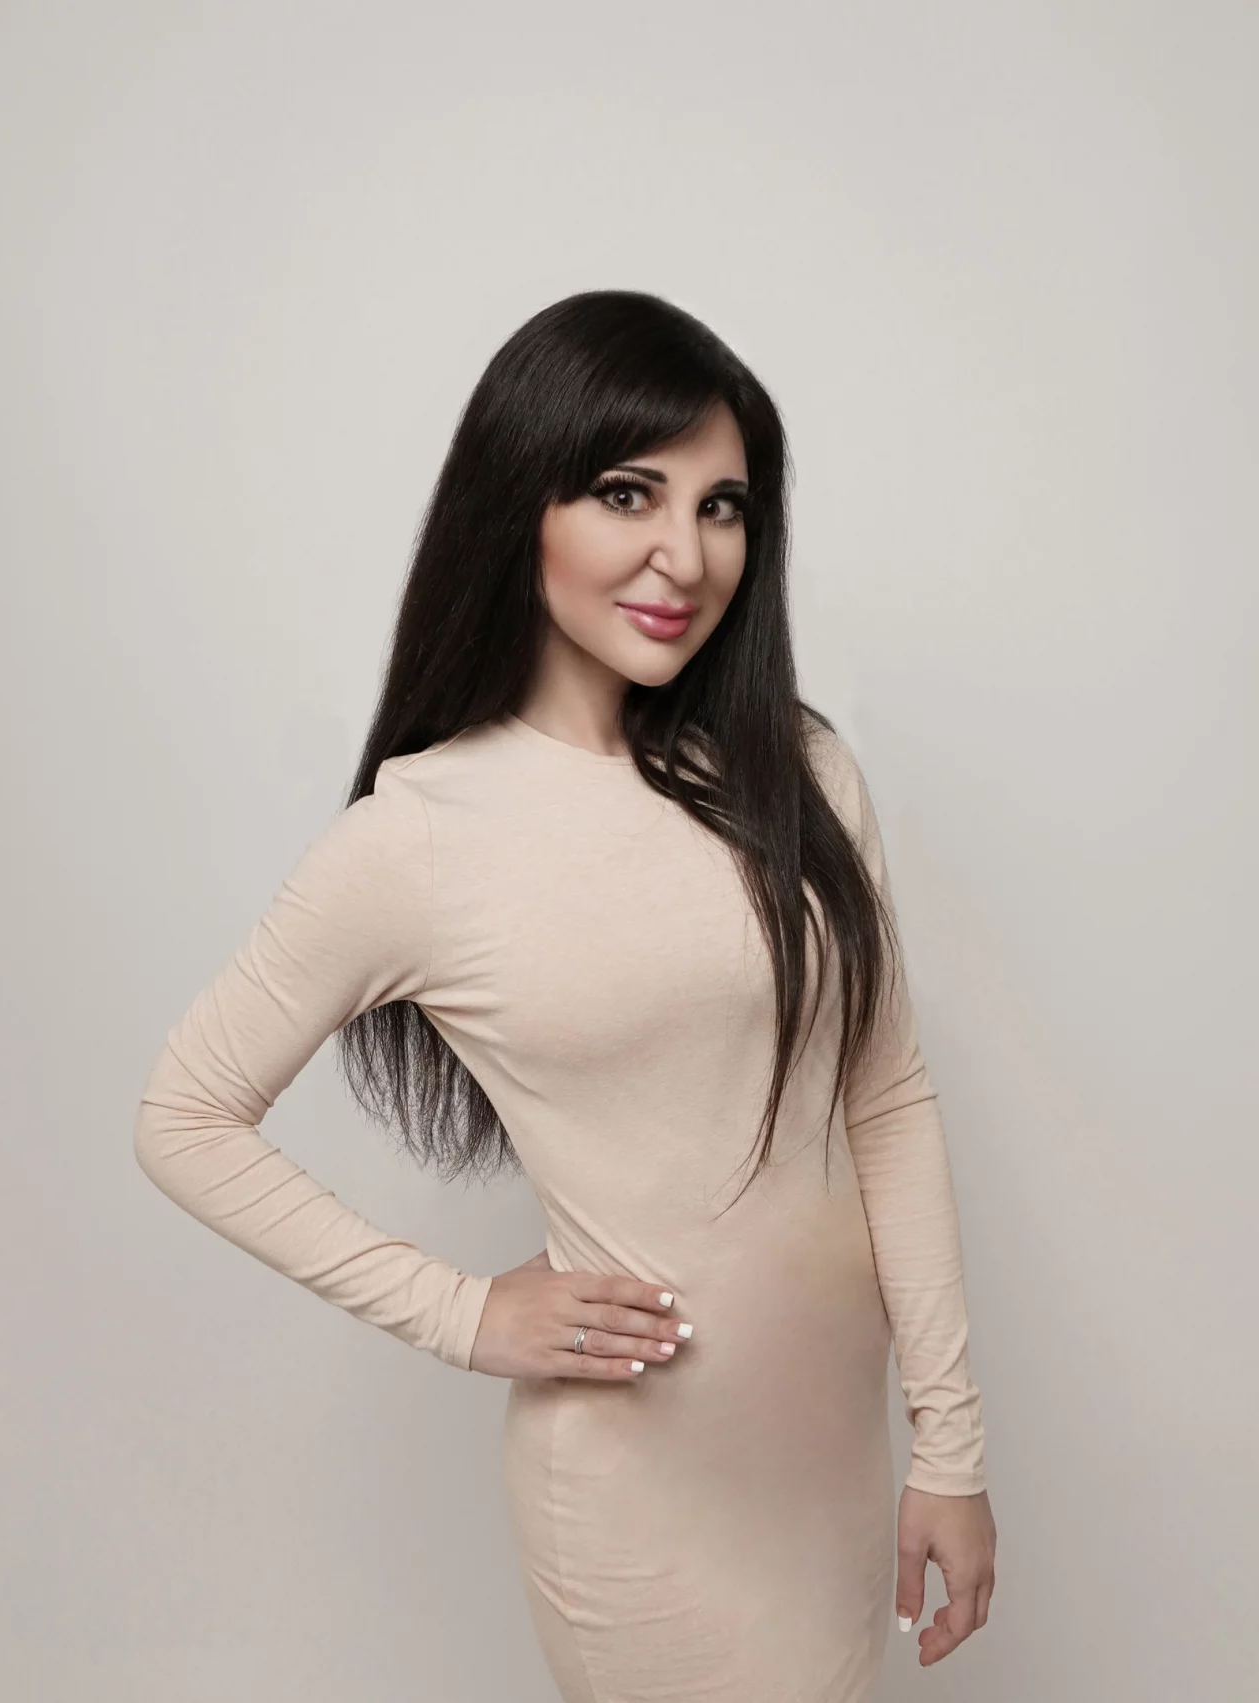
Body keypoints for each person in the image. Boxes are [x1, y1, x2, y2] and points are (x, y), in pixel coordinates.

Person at [133, 287, 996, 1701]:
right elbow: (183, 1115)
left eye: (723, 507)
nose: (685, 556)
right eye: (627, 494)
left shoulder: (798, 771)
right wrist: (461, 1313)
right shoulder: (422, 837)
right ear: (519, 503)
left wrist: (949, 1449)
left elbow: (886, 1096)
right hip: (639, 1498)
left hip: (833, 1467)